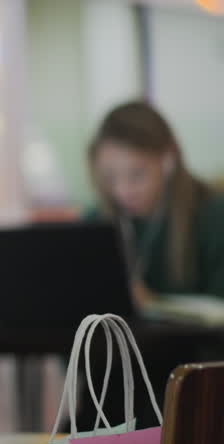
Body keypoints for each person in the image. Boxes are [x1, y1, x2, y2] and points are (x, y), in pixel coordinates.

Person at [89, 101, 224, 302]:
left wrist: (152, 302)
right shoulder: (96, 220)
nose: (123, 191)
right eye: (110, 177)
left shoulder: (213, 217)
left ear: (168, 160)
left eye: (137, 174)